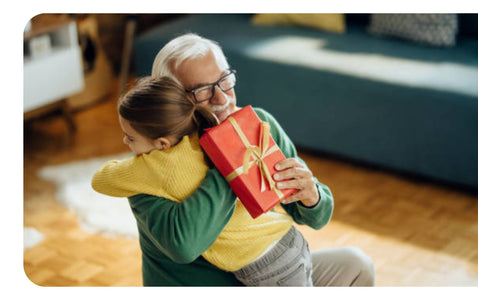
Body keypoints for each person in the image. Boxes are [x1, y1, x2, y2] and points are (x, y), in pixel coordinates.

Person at [124, 33, 375, 286]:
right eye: (202, 91)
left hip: (267, 275)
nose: (222, 98)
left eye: (225, 81)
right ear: (171, 101)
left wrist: (312, 197)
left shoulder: (259, 126)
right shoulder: (149, 165)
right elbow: (183, 247)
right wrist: (228, 157)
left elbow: (316, 217)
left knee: (356, 265)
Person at [91, 76, 314, 286]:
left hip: (269, 268)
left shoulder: (154, 166)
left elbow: (100, 180)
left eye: (130, 137)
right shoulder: (209, 136)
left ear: (162, 143)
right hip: (288, 240)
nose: (124, 141)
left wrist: (137, 161)